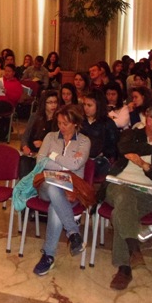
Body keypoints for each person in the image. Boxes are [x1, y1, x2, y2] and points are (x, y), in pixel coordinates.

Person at [100, 104, 152, 291]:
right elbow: (123, 147)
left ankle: (126, 265)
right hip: (117, 186)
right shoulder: (131, 135)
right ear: (149, 120)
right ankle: (131, 255)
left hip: (146, 194)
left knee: (121, 212)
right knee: (124, 195)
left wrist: (144, 165)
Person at [33, 104, 91, 276]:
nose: (61, 127)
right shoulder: (50, 137)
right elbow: (40, 161)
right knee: (53, 187)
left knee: (56, 207)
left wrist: (53, 156)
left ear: (75, 123)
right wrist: (65, 164)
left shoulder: (84, 141)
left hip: (71, 189)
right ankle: (73, 232)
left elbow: (76, 164)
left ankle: (48, 256)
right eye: (59, 123)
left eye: (65, 123)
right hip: (46, 184)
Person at [19, 90, 59, 178]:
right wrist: (25, 146)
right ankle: (24, 185)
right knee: (23, 163)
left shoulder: (59, 120)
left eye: (55, 102)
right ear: (44, 104)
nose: (53, 105)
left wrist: (43, 144)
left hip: (46, 156)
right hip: (31, 153)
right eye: (50, 102)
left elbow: (58, 143)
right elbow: (25, 136)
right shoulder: (35, 116)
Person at [80, 89, 120, 177]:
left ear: (98, 106)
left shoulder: (107, 123)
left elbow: (114, 147)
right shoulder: (80, 121)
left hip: (99, 159)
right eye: (84, 104)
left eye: (89, 105)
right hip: (79, 157)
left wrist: (103, 153)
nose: (86, 108)